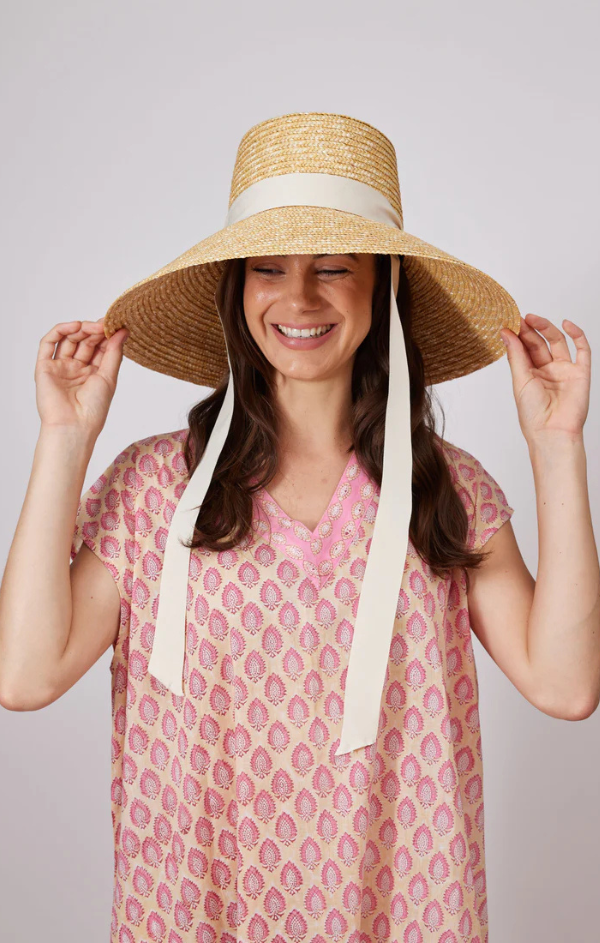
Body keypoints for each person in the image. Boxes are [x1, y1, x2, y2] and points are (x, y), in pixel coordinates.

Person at [0, 111, 597, 942]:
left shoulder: (448, 490)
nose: (300, 297)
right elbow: (24, 675)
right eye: (269, 267)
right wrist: (65, 439)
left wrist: (558, 446)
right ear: (238, 288)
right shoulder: (153, 487)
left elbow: (567, 686)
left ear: (383, 284)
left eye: (334, 267)